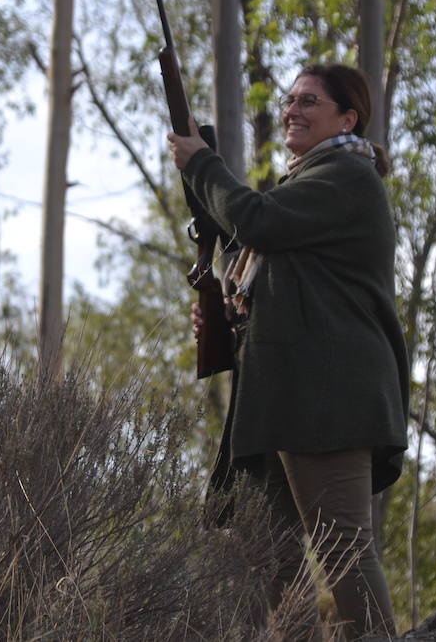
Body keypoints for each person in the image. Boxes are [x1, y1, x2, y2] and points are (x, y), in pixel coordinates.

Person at [167, 63, 408, 641]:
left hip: (328, 393)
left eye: (309, 101)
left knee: (343, 548)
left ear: (347, 118)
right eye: (290, 99)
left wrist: (202, 163)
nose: (292, 109)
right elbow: (286, 278)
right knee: (269, 553)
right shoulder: (307, 182)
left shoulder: (347, 176)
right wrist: (228, 314)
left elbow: (259, 222)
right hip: (282, 394)